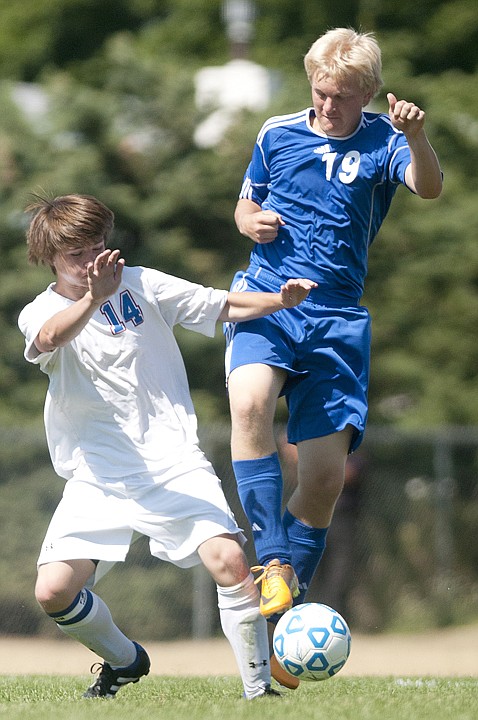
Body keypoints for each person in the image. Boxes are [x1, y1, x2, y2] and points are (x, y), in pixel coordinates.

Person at [18, 193, 316, 700]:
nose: (91, 261)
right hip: (98, 476)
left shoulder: (141, 284)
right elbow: (48, 339)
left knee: (229, 561)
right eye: (76, 254)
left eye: (97, 247)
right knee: (53, 592)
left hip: (174, 464)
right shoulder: (41, 310)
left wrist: (279, 302)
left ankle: (259, 693)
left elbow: (219, 303)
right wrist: (93, 298)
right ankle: (125, 661)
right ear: (50, 256)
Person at [224, 27, 442, 688]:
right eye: (319, 93)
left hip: (338, 320)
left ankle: (287, 619)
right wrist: (248, 222)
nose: (326, 107)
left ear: (368, 94)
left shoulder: (384, 142)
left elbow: (429, 187)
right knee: (252, 403)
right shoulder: (278, 132)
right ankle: (270, 561)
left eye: (341, 98)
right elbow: (246, 200)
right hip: (267, 301)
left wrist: (416, 136)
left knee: (321, 480)